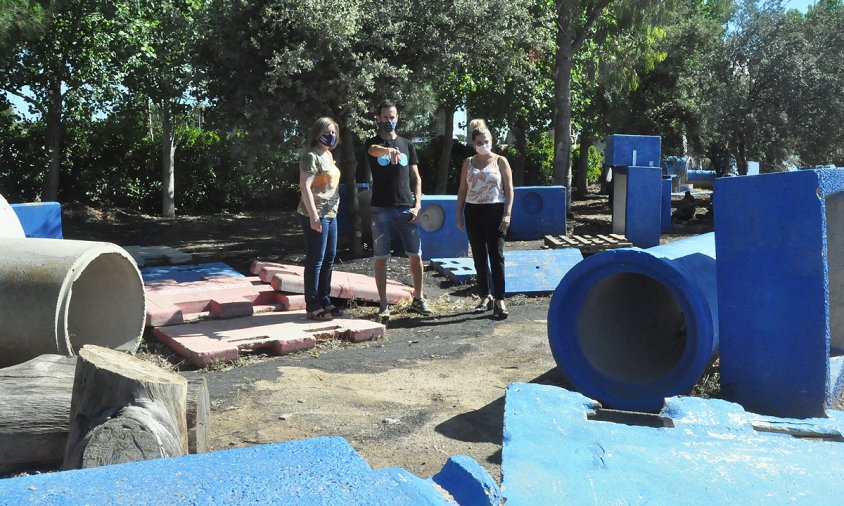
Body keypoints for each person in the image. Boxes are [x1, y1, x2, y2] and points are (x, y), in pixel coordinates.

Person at [364, 100, 431, 319]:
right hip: (380, 209)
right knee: (381, 258)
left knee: (415, 256)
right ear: (378, 119)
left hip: (406, 208)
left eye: (392, 117)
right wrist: (388, 149)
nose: (389, 121)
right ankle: (383, 305)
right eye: (385, 117)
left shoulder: (407, 144)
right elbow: (373, 151)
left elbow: (416, 177)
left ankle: (419, 299)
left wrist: (417, 205)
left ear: (397, 117)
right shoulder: (373, 143)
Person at [456, 119, 514, 319]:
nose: (484, 145)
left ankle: (500, 298)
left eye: (486, 141)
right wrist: (458, 214)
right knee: (479, 256)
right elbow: (463, 190)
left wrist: (507, 213)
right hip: (473, 211)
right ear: (474, 144)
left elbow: (509, 189)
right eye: (479, 142)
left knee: (496, 255)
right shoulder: (468, 162)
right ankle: (484, 295)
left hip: (495, 210)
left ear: (492, 140)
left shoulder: (501, 161)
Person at [297, 117, 343, 320]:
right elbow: (305, 186)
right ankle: (312, 304)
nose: (331, 136)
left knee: (329, 258)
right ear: (317, 133)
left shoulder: (328, 155)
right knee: (316, 259)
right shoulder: (311, 156)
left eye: (333, 132)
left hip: (332, 214)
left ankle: (325, 299)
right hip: (315, 214)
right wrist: (314, 216)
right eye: (327, 131)